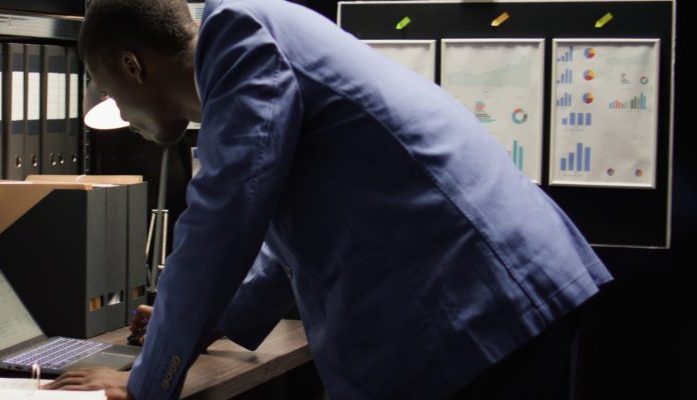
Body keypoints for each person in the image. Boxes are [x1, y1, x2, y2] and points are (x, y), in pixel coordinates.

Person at [43, 0, 612, 399]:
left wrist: (148, 382)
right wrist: (201, 325)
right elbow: (277, 250)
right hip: (504, 294)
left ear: (132, 66)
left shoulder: (238, 36)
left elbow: (221, 225)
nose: (116, 113)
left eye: (108, 90)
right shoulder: (262, 31)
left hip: (479, 306)